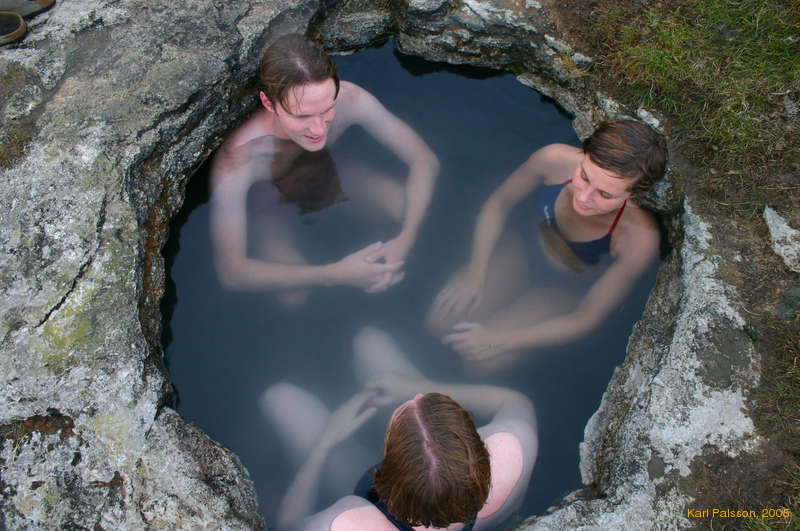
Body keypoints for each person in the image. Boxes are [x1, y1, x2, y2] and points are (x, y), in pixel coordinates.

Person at [210, 34, 439, 308]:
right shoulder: (240, 158)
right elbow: (232, 272)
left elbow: (424, 160)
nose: (319, 129)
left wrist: (406, 239)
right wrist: (334, 275)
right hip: (272, 204)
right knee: (293, 297)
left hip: (333, 172)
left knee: (405, 207)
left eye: (327, 109)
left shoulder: (350, 99)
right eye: (302, 116)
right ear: (269, 103)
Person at [428, 120, 667, 371]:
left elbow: (585, 318)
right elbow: (498, 205)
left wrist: (500, 340)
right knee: (439, 322)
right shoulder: (553, 160)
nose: (584, 197)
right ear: (584, 154)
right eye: (584, 176)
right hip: (521, 252)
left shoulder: (639, 238)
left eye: (605, 194)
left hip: (563, 286)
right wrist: (476, 274)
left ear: (633, 194)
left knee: (478, 363)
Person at [261, 327, 538, 530]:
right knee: (369, 342)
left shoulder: (348, 522)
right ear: (473, 444)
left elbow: (288, 527)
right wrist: (412, 386)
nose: (417, 397)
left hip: (363, 490)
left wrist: (324, 445)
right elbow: (514, 401)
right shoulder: (512, 454)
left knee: (280, 399)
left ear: (386, 479)